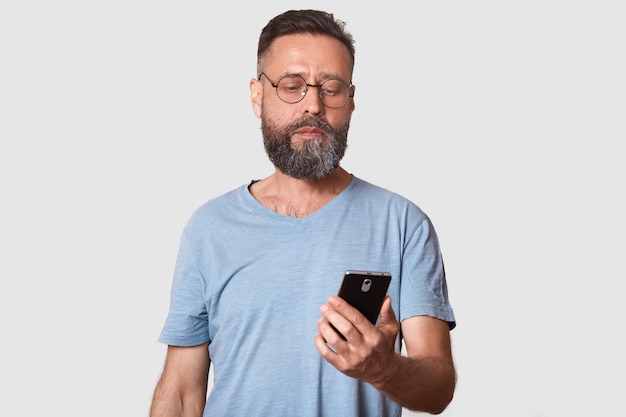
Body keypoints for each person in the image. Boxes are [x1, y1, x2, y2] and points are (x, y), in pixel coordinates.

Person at [150, 9, 456, 417]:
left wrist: (384, 369)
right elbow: (183, 391)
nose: (313, 104)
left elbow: (437, 390)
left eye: (331, 88)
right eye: (291, 85)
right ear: (257, 96)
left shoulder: (402, 224)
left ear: (350, 100)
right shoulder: (208, 228)